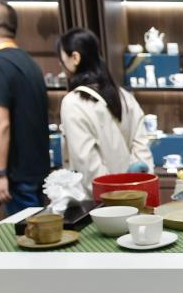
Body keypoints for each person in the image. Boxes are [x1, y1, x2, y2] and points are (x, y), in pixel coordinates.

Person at [0, 0, 51, 215]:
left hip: (17, 176)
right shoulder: (29, 63)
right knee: (39, 228)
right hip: (37, 171)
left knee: (26, 232)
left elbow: (0, 123)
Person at [57, 28, 153, 191]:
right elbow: (141, 146)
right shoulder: (123, 95)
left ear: (75, 58)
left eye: (62, 58)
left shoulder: (73, 103)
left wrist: (113, 193)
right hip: (134, 195)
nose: (60, 64)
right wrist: (134, 187)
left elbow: (87, 166)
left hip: (101, 200)